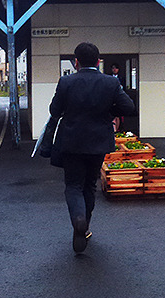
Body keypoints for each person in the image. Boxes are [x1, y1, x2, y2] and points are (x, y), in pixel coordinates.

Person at [48, 42, 135, 254]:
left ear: (76, 62)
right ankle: (85, 225)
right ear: (98, 61)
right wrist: (107, 111)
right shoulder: (109, 83)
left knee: (74, 185)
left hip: (72, 142)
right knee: (89, 185)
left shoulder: (66, 82)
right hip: (98, 143)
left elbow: (54, 110)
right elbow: (129, 108)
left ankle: (78, 220)